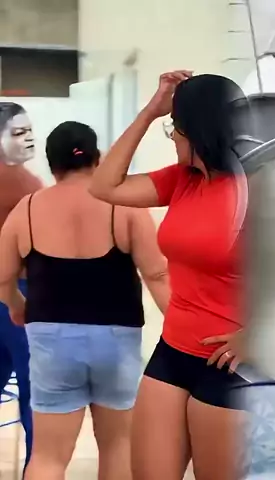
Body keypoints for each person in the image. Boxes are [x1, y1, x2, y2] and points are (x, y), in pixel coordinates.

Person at [90, 72, 248, 480]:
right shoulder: (183, 180)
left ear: (197, 130)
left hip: (231, 365)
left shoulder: (256, 188)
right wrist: (151, 111)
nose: (173, 137)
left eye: (174, 127)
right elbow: (104, 186)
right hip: (173, 350)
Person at [0, 121, 170, 480]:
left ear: (52, 165)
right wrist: (180, 324)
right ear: (97, 158)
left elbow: (2, 276)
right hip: (116, 340)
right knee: (119, 445)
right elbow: (157, 274)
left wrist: (16, 305)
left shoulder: (26, 209)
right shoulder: (123, 206)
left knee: (48, 456)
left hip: (52, 341)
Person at [0, 102, 42, 473]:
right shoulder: (23, 185)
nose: (28, 138)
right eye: (17, 132)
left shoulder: (26, 182)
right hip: (15, 294)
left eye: (29, 130)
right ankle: (36, 469)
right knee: (32, 391)